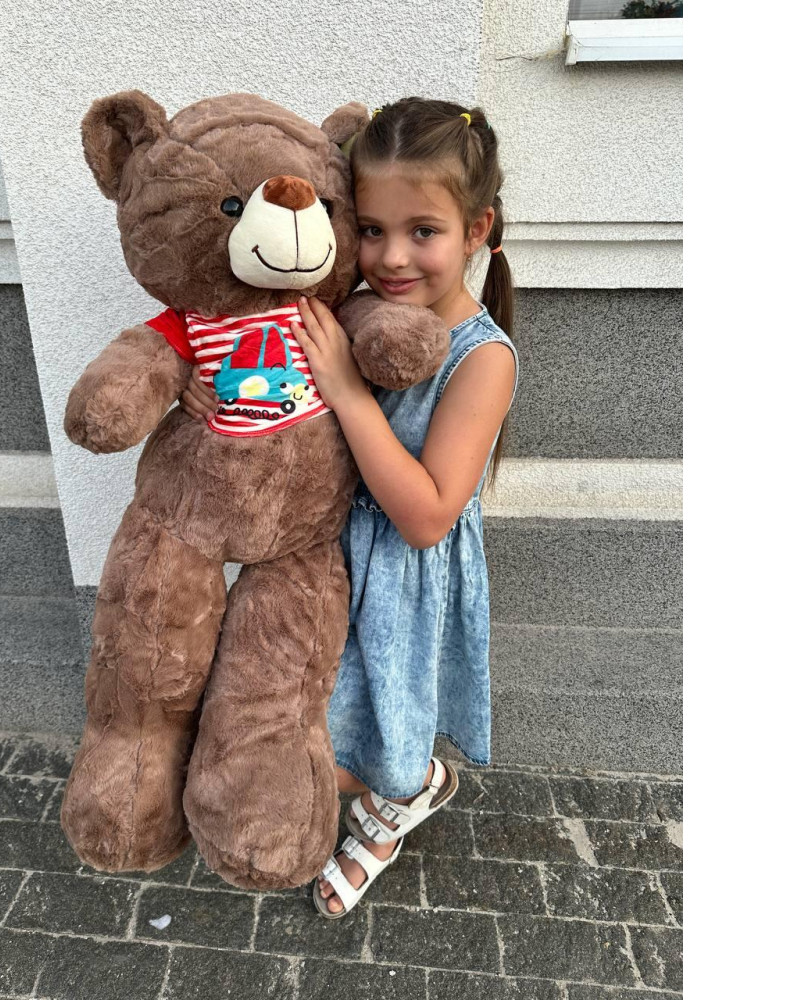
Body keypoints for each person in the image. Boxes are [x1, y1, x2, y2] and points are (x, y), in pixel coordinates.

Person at [179, 97, 518, 917]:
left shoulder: (482, 360)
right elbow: (275, 394)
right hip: (326, 563)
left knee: (373, 744)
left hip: (400, 581)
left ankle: (403, 801)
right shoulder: (348, 316)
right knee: (315, 724)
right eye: (370, 229)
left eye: (423, 230)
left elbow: (427, 516)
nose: (391, 256)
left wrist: (346, 390)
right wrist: (208, 392)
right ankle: (401, 784)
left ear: (477, 229)